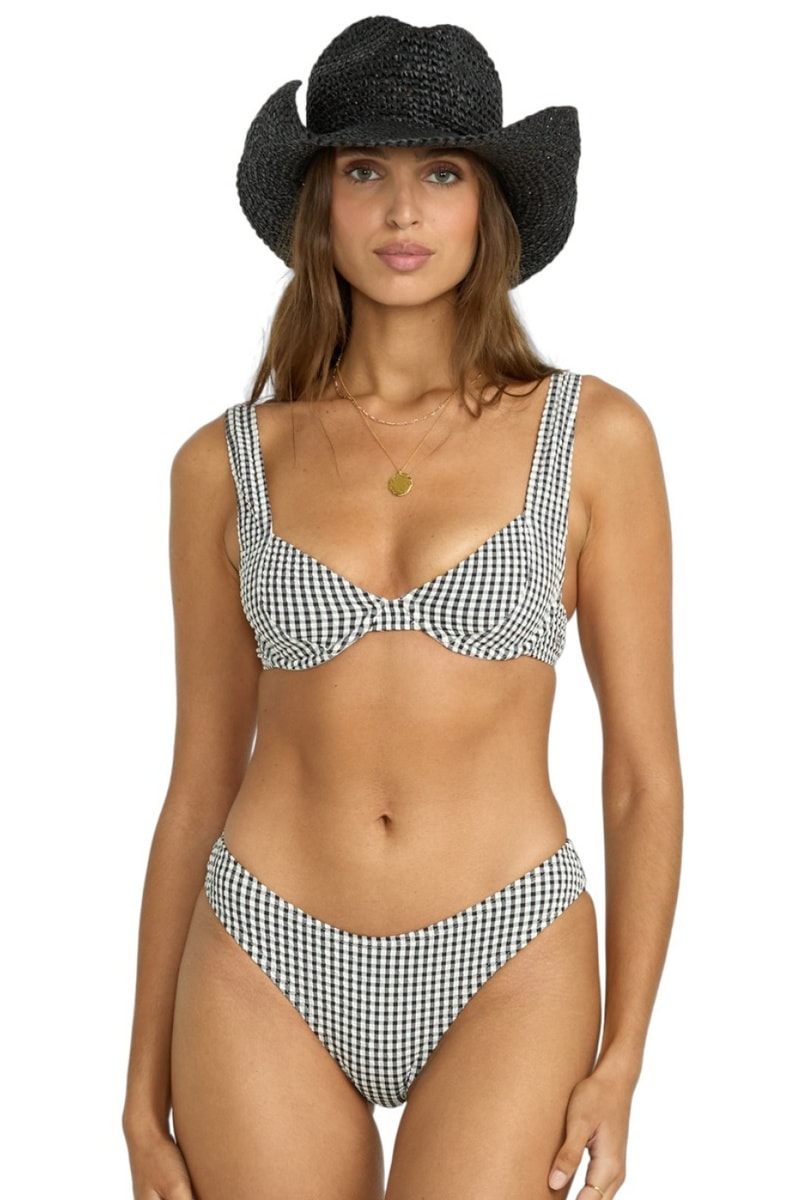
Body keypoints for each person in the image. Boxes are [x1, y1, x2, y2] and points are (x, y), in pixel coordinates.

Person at [122, 16, 682, 1200]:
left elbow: (641, 777)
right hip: (261, 947)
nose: (399, 211)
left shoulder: (593, 438)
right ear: (319, 206)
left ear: (487, 207)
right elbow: (196, 782)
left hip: (507, 952)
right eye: (363, 171)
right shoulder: (223, 465)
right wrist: (135, 1088)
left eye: (441, 174)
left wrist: (624, 1056)